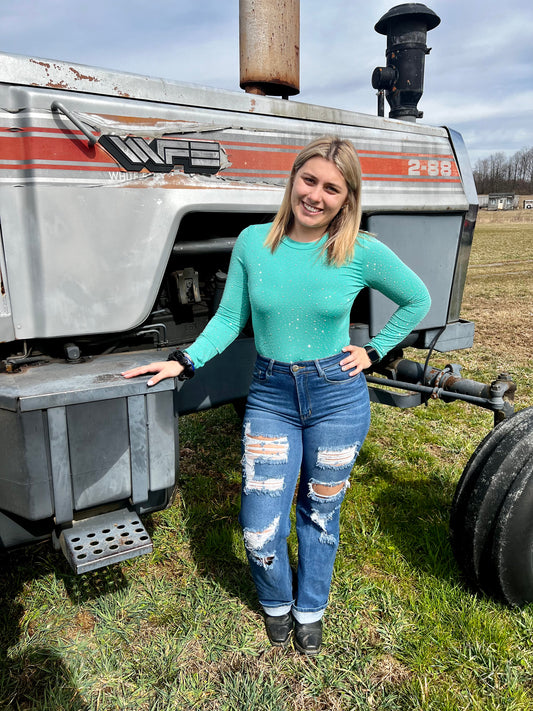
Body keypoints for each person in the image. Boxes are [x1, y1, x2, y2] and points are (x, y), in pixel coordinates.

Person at [122, 136, 431, 655]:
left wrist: (373, 351)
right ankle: (274, 604)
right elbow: (228, 318)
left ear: (346, 199)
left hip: (337, 397)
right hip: (270, 396)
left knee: (319, 510)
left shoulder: (358, 251)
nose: (316, 195)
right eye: (309, 180)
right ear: (292, 180)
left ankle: (310, 608)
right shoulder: (253, 242)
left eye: (332, 188)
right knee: (259, 522)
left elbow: (416, 298)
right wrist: (183, 360)